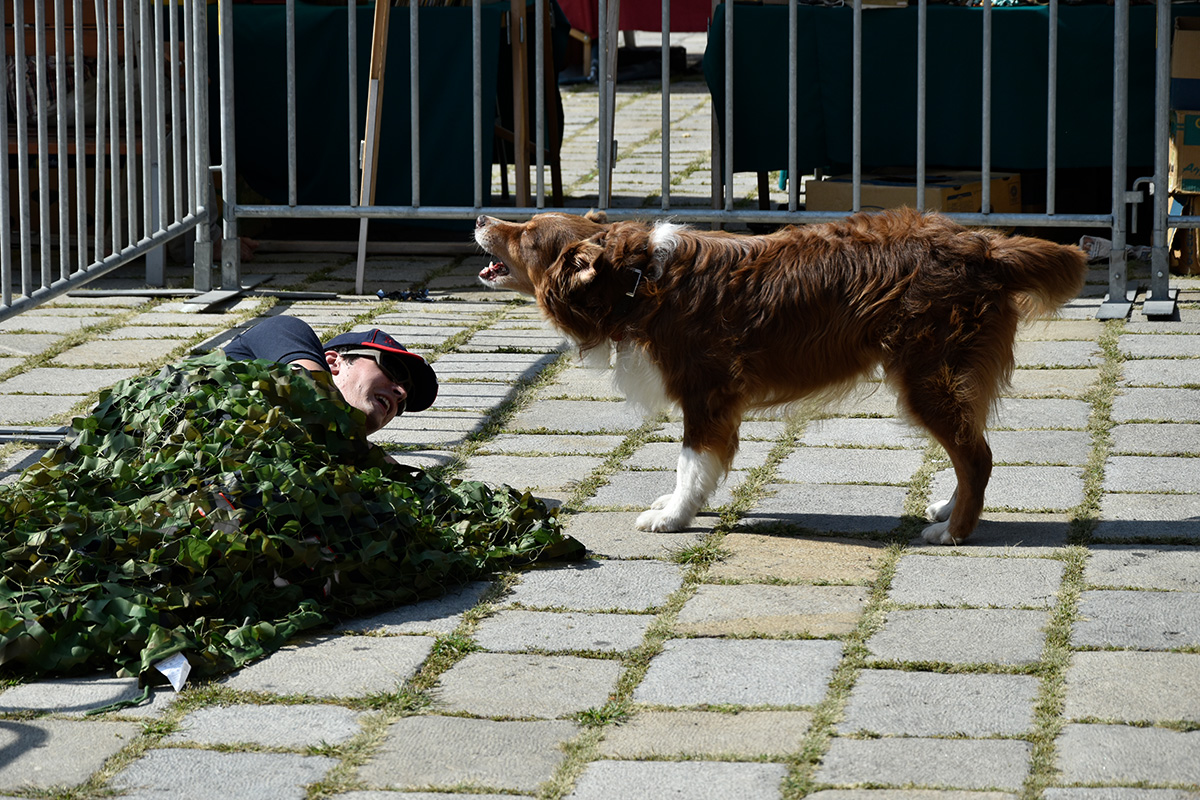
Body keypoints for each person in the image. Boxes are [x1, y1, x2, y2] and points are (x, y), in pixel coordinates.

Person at [222, 315, 438, 434]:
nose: (401, 393)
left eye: (404, 403)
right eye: (393, 370)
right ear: (333, 362)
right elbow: (308, 392)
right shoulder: (285, 330)